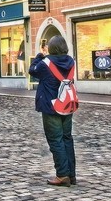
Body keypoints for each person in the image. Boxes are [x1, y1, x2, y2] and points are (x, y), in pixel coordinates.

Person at [29, 35, 77, 187]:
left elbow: (32, 70)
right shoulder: (71, 62)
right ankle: (71, 174)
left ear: (51, 48)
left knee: (55, 140)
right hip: (67, 104)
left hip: (51, 106)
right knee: (67, 138)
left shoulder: (45, 63)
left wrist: (39, 56)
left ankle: (62, 175)